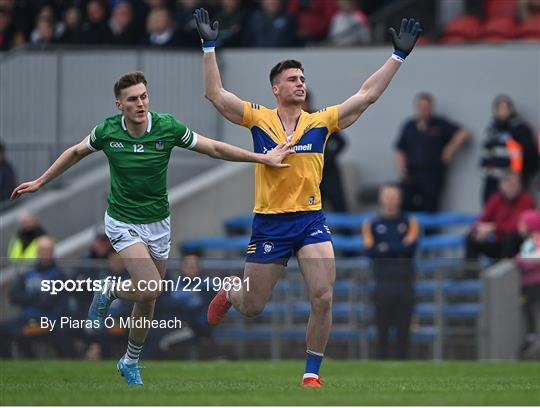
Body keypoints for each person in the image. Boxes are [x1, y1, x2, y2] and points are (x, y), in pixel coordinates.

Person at [10, 71, 292, 386]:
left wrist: (259, 158)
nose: (141, 103)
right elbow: (75, 152)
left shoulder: (166, 127)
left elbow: (212, 147)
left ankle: (130, 360)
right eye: (133, 99)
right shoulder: (107, 131)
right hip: (122, 221)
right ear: (120, 104)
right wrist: (40, 181)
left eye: (144, 96)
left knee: (148, 300)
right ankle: (110, 290)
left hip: (158, 223)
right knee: (152, 286)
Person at [194, 8, 421, 387]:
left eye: (302, 78)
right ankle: (231, 292)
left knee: (323, 296)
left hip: (310, 221)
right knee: (252, 307)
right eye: (292, 79)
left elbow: (366, 96)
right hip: (270, 223)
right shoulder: (258, 118)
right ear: (276, 89)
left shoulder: (320, 122)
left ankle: (311, 373)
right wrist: (208, 47)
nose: (300, 83)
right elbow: (214, 94)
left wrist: (397, 56)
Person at [362, 184, 418, 359]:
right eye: (388, 196)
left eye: (394, 196)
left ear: (400, 199)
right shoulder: (371, 223)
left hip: (405, 281)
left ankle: (404, 364)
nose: (391, 200)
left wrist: (385, 247)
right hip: (382, 281)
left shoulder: (410, 222)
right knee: (382, 329)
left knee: (403, 330)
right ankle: (380, 364)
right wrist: (396, 249)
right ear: (381, 199)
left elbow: (410, 248)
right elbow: (370, 251)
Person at [0, 236, 74, 358]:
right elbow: (13, 296)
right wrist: (35, 296)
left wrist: (27, 297)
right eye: (41, 250)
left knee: (20, 332)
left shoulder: (58, 275)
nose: (43, 254)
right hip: (26, 317)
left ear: (52, 253)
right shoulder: (28, 273)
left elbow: (47, 301)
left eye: (47, 251)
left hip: (47, 320)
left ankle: (30, 361)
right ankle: (6, 362)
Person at [395, 92, 469, 213]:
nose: (424, 110)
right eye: (421, 107)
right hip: (412, 174)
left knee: (431, 207)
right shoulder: (409, 126)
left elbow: (464, 134)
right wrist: (402, 170)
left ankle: (431, 231)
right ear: (417, 107)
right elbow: (400, 149)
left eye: (427, 107)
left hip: (432, 174)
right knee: (406, 205)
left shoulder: (439, 124)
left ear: (431, 107)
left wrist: (450, 149)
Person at [465, 172, 535, 266]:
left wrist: (494, 227)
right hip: (499, 243)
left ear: (519, 186)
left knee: (510, 238)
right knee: (471, 237)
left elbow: (518, 227)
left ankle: (502, 273)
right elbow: (483, 219)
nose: (511, 188)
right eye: (508, 184)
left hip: (518, 245)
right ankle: (470, 272)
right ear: (501, 186)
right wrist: (478, 229)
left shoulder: (526, 200)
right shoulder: (496, 199)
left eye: (514, 185)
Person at [480, 95, 539, 204]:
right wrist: (485, 166)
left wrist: (518, 175)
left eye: (505, 108)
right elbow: (486, 151)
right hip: (493, 180)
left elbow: (529, 155)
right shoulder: (491, 129)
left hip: (513, 180)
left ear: (511, 110)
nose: (503, 112)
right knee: (490, 207)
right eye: (500, 109)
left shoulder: (521, 129)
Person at [303, 91, 348, 212]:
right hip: (310, 174)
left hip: (329, 172)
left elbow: (342, 142)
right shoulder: (294, 123)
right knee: (313, 207)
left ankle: (346, 231)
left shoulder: (320, 120)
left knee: (339, 204)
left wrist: (328, 157)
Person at [515, 210, 540, 359]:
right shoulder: (531, 241)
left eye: (522, 223)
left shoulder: (534, 241)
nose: (519, 226)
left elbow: (531, 261)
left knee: (529, 308)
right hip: (530, 283)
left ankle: (532, 336)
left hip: (533, 284)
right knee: (528, 309)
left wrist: (518, 260)